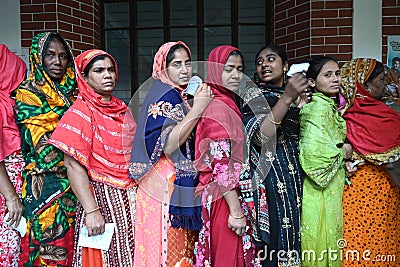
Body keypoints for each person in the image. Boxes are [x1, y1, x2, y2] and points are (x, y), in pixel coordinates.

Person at [48, 49, 137, 266]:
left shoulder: (121, 109)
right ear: (84, 77)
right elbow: (72, 165)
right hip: (101, 199)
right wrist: (92, 211)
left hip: (131, 198)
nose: (107, 75)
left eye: (110, 70)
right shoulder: (80, 113)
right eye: (98, 71)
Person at [129, 41, 213, 266]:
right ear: (163, 69)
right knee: (169, 249)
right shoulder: (165, 96)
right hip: (165, 184)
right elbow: (168, 145)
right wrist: (198, 109)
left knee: (176, 247)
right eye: (177, 64)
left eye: (187, 63)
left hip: (169, 182)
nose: (185, 70)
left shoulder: (177, 95)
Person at [239, 43, 310, 266]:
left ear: (286, 65)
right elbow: (261, 137)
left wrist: (301, 105)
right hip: (272, 179)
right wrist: (287, 99)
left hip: (299, 177)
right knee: (278, 241)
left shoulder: (300, 96)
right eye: (259, 62)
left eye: (270, 59)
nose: (264, 65)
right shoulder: (252, 95)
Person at [14, 32, 77, 266]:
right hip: (43, 184)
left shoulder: (76, 93)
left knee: (73, 247)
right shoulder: (26, 94)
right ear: (37, 58)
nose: (57, 62)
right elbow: (40, 143)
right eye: (50, 55)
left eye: (62, 56)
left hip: (77, 185)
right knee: (47, 245)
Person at [194, 45, 260, 266]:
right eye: (228, 68)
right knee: (231, 257)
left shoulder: (227, 102)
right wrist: (236, 211)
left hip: (226, 194)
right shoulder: (218, 108)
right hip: (225, 198)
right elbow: (222, 166)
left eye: (240, 69)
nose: (236, 75)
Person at [340, 58, 400, 267]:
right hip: (379, 191)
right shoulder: (376, 115)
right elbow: (392, 164)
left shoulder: (342, 113)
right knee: (379, 247)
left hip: (352, 195)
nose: (385, 85)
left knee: (358, 248)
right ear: (365, 84)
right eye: (382, 80)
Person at [299, 55, 356, 267]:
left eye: (338, 74)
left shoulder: (329, 107)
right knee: (320, 244)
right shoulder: (317, 110)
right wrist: (344, 153)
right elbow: (315, 161)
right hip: (319, 190)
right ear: (312, 82)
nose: (335, 79)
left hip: (333, 185)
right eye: (328, 75)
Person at [0, 44, 26, 266]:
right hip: (5, 191)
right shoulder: (2, 106)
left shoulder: (9, 103)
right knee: (7, 246)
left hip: (12, 188)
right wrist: (11, 198)